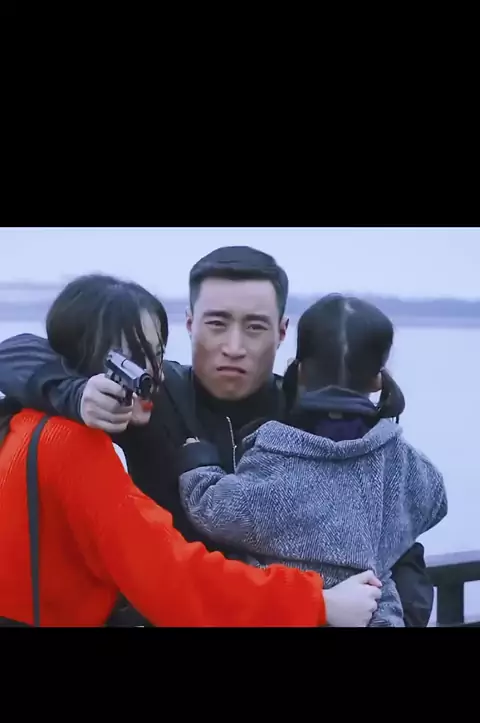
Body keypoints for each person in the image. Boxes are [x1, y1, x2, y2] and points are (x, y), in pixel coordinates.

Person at [0, 246, 433, 626]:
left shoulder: (318, 422)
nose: (234, 346)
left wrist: (399, 615)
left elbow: (396, 541)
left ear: (282, 332)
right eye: (217, 323)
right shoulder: (142, 397)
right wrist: (75, 394)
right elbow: (23, 352)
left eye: (255, 326)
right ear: (190, 323)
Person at [177, 294, 448, 627]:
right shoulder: (404, 461)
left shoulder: (275, 450)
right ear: (378, 379)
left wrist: (199, 463)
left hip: (287, 613)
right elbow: (434, 501)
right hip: (375, 615)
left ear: (301, 371)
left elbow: (218, 512)